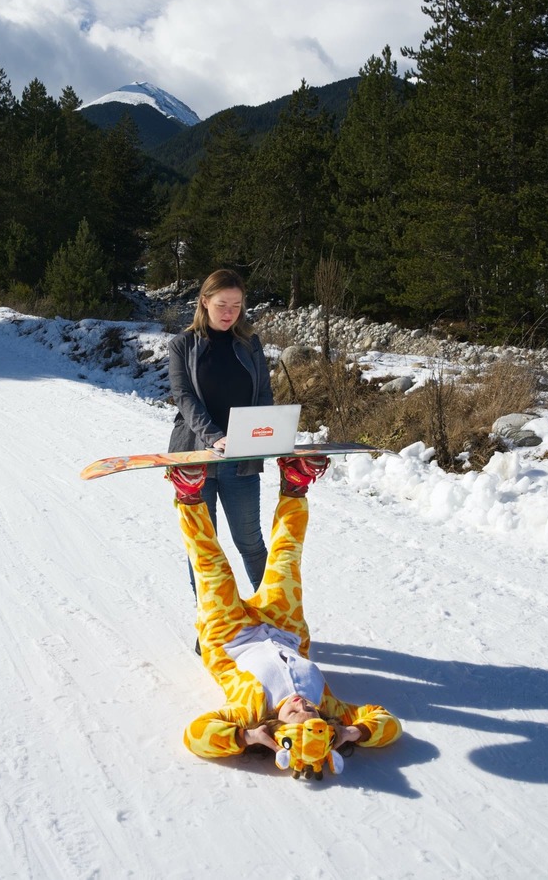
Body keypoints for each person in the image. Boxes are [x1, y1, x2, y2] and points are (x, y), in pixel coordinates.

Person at [166, 455, 402, 780]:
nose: (303, 706)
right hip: (284, 628)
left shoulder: (250, 712)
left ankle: (189, 495)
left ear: (277, 731)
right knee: (286, 558)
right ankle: (294, 484)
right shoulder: (331, 707)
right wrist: (353, 733)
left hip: (228, 635)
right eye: (312, 713)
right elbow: (389, 725)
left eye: (296, 715)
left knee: (212, 568)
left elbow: (196, 734)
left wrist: (247, 736)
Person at [168, 269, 273, 600]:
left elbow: (263, 395)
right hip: (194, 458)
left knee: (250, 541)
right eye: (222, 304)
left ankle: (273, 612)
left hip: (240, 458)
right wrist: (214, 436)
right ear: (204, 301)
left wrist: (267, 433)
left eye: (237, 305)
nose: (229, 313)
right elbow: (184, 398)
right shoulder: (182, 345)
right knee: (203, 545)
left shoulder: (250, 344)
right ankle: (211, 622)